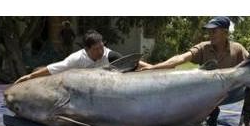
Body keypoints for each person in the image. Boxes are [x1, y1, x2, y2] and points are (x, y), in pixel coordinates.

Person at [139, 16, 250, 126]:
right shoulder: (203, 47)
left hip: (230, 92)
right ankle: (211, 111)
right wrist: (153, 68)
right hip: (207, 94)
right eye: (209, 31)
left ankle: (245, 120)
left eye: (214, 31)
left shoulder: (238, 49)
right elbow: (181, 58)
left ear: (225, 32)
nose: (210, 34)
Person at [14, 29, 151, 84]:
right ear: (87, 49)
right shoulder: (76, 59)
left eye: (102, 46)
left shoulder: (110, 55)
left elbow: (133, 63)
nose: (101, 51)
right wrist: (29, 77)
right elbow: (52, 69)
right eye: (97, 49)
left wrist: (155, 67)